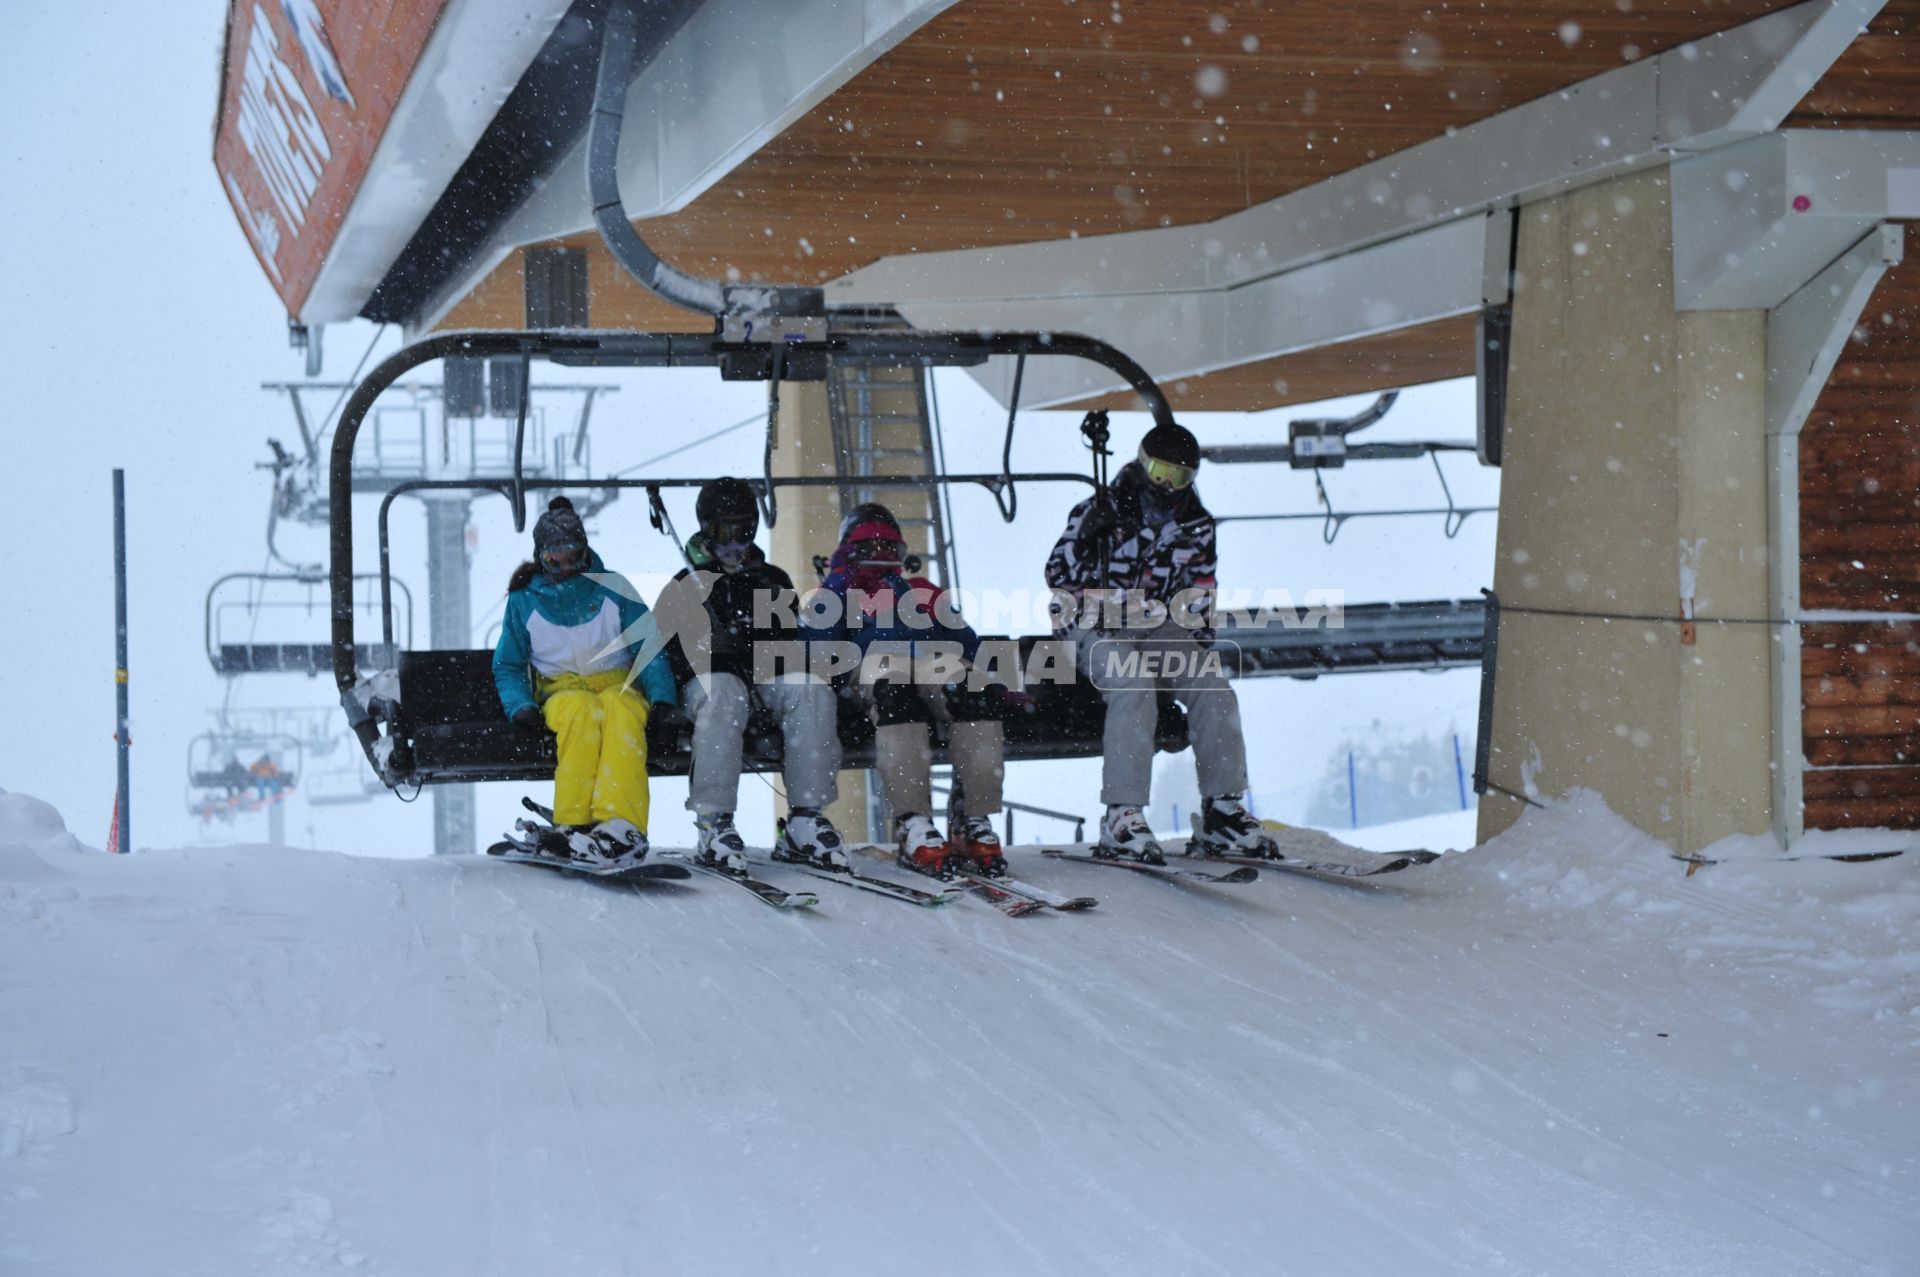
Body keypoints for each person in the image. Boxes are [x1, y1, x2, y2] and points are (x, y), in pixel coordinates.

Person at [1044, 420, 1275, 863]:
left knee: (1214, 689)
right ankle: (1122, 814)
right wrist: (1088, 538)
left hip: (1158, 624)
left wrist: (1196, 648)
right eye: (1159, 471)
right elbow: (1057, 576)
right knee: (1133, 686)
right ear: (1141, 462)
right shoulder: (1098, 508)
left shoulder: (1195, 525)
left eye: (1180, 476)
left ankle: (1222, 811)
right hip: (1092, 620)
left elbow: (1200, 588)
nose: (1168, 485)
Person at [653, 477, 847, 873]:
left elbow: (792, 643)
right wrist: (711, 647)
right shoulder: (687, 583)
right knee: (724, 692)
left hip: (762, 679)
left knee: (809, 690)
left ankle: (805, 819)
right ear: (707, 528)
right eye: (725, 531)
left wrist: (756, 641)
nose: (736, 542)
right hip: (712, 684)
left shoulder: (770, 579)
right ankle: (714, 821)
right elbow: (667, 655)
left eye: (745, 530)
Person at [811, 503, 1009, 877]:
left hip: (934, 659)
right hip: (876, 663)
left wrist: (995, 680)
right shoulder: (840, 593)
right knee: (895, 690)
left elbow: (967, 642)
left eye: (890, 551)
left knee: (972, 689)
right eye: (869, 551)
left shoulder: (921, 592)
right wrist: (837, 585)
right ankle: (912, 820)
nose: (881, 559)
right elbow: (818, 649)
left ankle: (972, 815)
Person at [493, 496, 678, 864]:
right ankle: (573, 822)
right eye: (554, 558)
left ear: (585, 552)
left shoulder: (612, 588)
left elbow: (648, 647)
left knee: (621, 710)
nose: (564, 566)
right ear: (540, 557)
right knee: (581, 712)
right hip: (562, 689)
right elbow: (509, 665)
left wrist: (662, 700)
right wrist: (521, 706)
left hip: (618, 684)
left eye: (572, 556)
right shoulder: (524, 601)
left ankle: (620, 822)